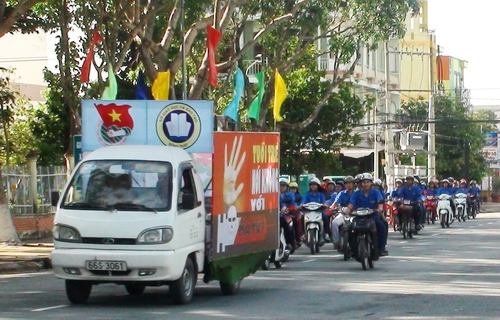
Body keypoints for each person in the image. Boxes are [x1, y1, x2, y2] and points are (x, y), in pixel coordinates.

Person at [344, 173, 388, 256]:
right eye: (364, 182)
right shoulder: (356, 193)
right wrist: (347, 210)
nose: (366, 184)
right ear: (361, 183)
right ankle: (352, 249)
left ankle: (381, 248)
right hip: (358, 217)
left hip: (372, 216)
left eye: (368, 182)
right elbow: (351, 205)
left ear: (371, 183)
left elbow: (380, 203)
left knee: (382, 225)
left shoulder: (376, 192)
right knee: (349, 228)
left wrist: (379, 209)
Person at [329, 175, 356, 251]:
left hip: (355, 214)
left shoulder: (357, 193)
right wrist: (332, 207)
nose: (348, 185)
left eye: (350, 183)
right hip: (343, 213)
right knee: (334, 223)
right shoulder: (341, 193)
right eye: (346, 183)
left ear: (353, 184)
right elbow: (335, 203)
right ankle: (336, 242)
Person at [302, 177, 330, 241]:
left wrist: (325, 205)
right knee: (302, 217)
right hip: (309, 212)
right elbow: (304, 202)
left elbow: (324, 202)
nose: (313, 186)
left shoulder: (321, 195)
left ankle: (326, 233)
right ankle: (303, 233)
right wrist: (301, 205)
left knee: (325, 217)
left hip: (319, 211)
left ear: (318, 186)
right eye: (311, 185)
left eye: (314, 185)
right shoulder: (307, 194)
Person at [279, 178, 297, 248]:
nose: (282, 187)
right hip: (275, 215)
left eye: (284, 186)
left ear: (286, 187)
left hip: (287, 214)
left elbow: (286, 204)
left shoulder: (290, 195)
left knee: (289, 224)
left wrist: (285, 209)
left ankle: (290, 242)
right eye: (280, 185)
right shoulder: (275, 194)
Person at [289, 181, 304, 246]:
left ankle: (301, 234)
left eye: (294, 188)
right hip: (288, 212)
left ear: (297, 189)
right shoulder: (287, 195)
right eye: (291, 188)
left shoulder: (299, 196)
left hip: (298, 211)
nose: (293, 190)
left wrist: (299, 206)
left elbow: (302, 202)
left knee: (300, 219)